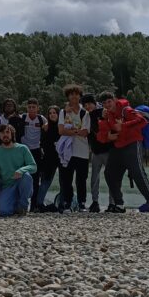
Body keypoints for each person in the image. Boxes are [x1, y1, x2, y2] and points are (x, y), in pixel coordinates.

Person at [98, 92, 149, 213]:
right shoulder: (107, 115)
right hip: (118, 146)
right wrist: (108, 136)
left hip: (132, 143)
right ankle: (119, 205)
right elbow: (102, 135)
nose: (107, 105)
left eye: (109, 101)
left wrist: (123, 126)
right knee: (109, 173)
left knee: (137, 172)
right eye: (104, 103)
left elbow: (141, 121)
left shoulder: (126, 109)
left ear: (114, 100)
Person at [0, 124, 37, 217]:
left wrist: (21, 170)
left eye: (7, 132)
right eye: (2, 133)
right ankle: (15, 204)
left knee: (26, 176)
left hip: (22, 183)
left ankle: (23, 207)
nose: (5, 135)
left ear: (12, 134)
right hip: (7, 187)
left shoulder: (22, 148)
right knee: (3, 212)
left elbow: (33, 166)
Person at [56, 85, 90, 213]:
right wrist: (76, 131)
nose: (74, 96)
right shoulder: (63, 112)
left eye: (76, 94)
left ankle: (81, 203)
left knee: (81, 179)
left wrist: (70, 131)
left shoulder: (84, 113)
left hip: (82, 151)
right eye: (71, 94)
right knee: (66, 179)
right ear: (68, 97)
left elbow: (85, 132)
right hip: (67, 151)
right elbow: (60, 130)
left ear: (80, 96)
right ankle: (67, 203)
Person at [83, 93, 109, 213]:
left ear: (94, 103)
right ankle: (95, 201)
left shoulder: (103, 111)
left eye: (89, 104)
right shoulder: (87, 116)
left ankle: (113, 203)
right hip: (96, 152)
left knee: (111, 178)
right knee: (94, 178)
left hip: (108, 151)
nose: (87, 106)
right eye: (85, 105)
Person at [19, 98, 46, 209]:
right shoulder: (22, 117)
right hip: (24, 150)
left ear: (37, 108)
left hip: (36, 150)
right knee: (21, 176)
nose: (31, 109)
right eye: (29, 107)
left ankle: (34, 205)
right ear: (27, 108)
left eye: (33, 107)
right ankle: (20, 203)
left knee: (35, 178)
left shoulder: (41, 119)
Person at [36, 105, 61, 211]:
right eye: (50, 113)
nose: (52, 115)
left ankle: (63, 203)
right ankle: (39, 203)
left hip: (62, 157)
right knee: (46, 181)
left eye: (54, 113)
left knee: (64, 181)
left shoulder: (62, 126)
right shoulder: (46, 127)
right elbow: (42, 143)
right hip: (49, 158)